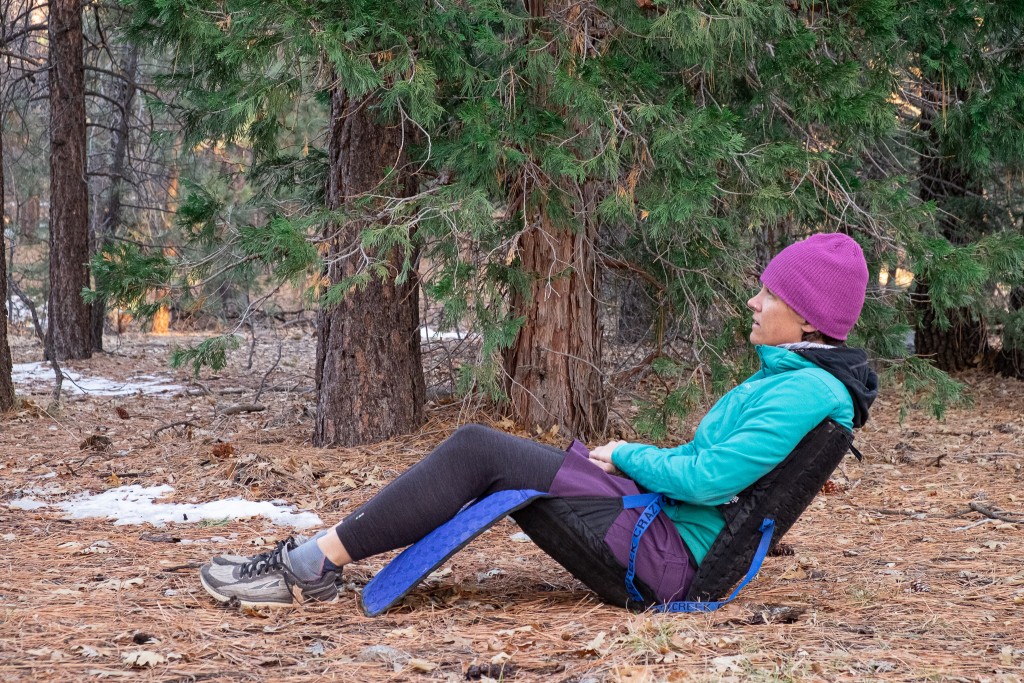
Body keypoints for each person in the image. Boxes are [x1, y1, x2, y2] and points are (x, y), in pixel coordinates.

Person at [199, 232, 878, 610]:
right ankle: (315, 559)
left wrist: (631, 455)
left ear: (809, 318)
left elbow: (706, 480)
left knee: (475, 449)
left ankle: (308, 568)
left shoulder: (803, 394)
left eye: (771, 293)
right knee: (484, 452)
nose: (754, 301)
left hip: (670, 556)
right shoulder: (796, 382)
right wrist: (631, 461)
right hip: (664, 529)